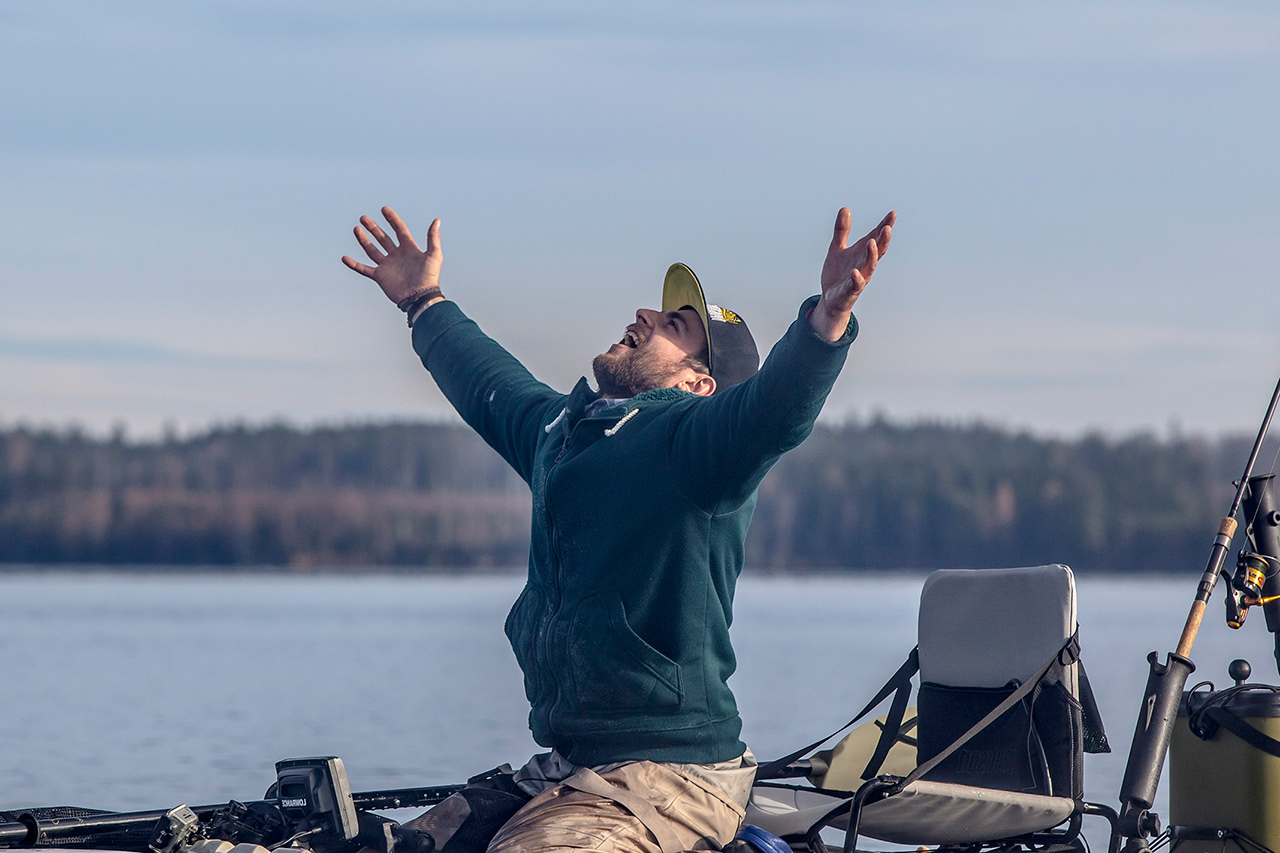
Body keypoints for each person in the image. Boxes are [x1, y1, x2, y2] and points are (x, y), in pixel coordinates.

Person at [341, 204, 895, 853]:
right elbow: (487, 381)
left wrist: (826, 319)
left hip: (675, 777)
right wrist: (422, 299)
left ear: (700, 381)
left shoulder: (698, 444)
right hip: (567, 768)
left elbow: (777, 409)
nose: (645, 315)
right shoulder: (564, 431)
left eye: (674, 325)